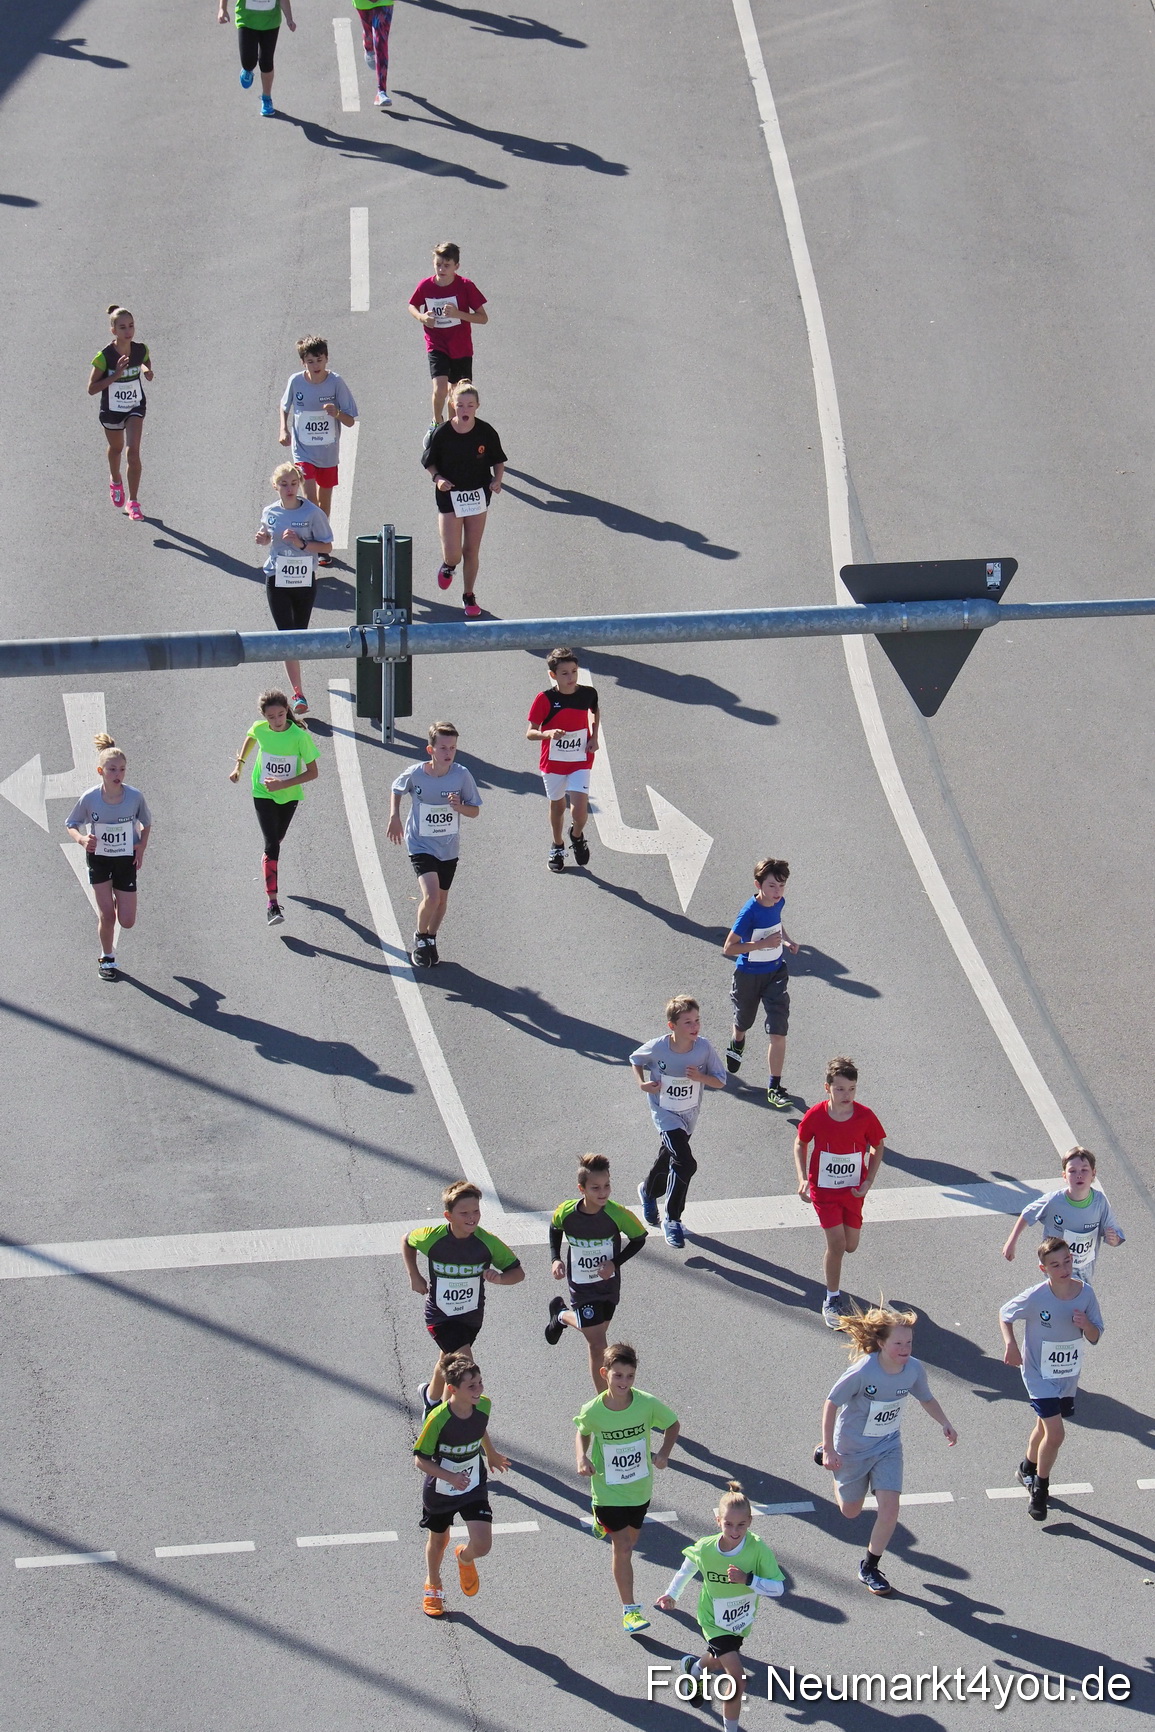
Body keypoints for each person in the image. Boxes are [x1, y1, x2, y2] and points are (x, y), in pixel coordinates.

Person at [814, 1304, 957, 1595]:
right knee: (850, 1512)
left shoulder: (914, 1369)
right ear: (881, 1343)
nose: (905, 1349)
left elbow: (926, 1398)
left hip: (887, 1445)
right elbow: (831, 1404)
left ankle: (869, 1566)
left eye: (909, 1343)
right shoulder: (864, 1371)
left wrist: (945, 1422)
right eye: (898, 1343)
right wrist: (829, 1448)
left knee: (890, 1509)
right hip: (851, 1448)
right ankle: (823, 1457)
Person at [655, 1482, 785, 1723]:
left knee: (715, 1660)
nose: (735, 1531)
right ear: (718, 1521)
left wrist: (748, 1579)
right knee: (737, 1678)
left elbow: (778, 1588)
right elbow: (687, 1568)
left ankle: (694, 1669)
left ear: (750, 1522)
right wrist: (672, 1594)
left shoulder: (758, 1550)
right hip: (712, 1619)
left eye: (741, 1525)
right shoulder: (706, 1548)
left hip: (740, 1621)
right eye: (728, 1524)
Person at [574, 1343, 679, 1635]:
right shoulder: (594, 1410)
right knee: (622, 1547)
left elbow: (672, 1424)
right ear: (605, 1373)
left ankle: (600, 1523)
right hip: (607, 1490)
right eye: (618, 1375)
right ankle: (630, 1611)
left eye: (630, 1376)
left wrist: (664, 1453)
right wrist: (581, 1457)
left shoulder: (646, 1404)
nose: (623, 1382)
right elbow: (582, 1433)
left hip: (639, 1489)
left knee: (631, 1542)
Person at [999, 1237, 1104, 1522]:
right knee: (1056, 1434)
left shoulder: (1086, 1294)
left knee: (1043, 1428)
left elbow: (1096, 1336)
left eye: (1067, 1261)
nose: (1063, 1268)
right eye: (1055, 1265)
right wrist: (1010, 1345)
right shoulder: (1036, 1296)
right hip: (1037, 1374)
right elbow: (1005, 1314)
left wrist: (1086, 1325)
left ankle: (1026, 1467)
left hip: (1066, 1376)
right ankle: (1040, 1490)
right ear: (1043, 1268)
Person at [403, 1181, 523, 1413]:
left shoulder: (486, 1243)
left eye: (476, 1211)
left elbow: (518, 1273)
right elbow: (407, 1241)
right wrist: (414, 1276)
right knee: (464, 1370)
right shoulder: (432, 1238)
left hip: (471, 1317)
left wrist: (500, 1278)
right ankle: (446, 1419)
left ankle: (430, 1396)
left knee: (448, 1358)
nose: (472, 1218)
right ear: (448, 1215)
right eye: (464, 1213)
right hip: (440, 1316)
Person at [414, 1356, 510, 1617]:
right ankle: (433, 1585)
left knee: (483, 1545)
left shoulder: (484, 1405)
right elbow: (420, 1460)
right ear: (453, 1389)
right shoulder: (437, 1419)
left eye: (480, 1383)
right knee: (439, 1539)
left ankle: (464, 1558)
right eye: (472, 1386)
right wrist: (449, 1477)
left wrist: (490, 1452)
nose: (479, 1389)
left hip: (473, 1484)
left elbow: (480, 1428)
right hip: (441, 1489)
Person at [794, 1058, 886, 1328]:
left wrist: (868, 1181)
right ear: (828, 1088)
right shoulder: (816, 1115)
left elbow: (877, 1146)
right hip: (824, 1190)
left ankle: (834, 1285)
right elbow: (800, 1143)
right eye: (841, 1089)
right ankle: (831, 1299)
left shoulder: (865, 1116)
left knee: (850, 1245)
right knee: (836, 1245)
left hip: (853, 1191)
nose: (847, 1096)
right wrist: (802, 1179)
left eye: (852, 1089)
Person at [632, 996, 726, 1249]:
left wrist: (700, 1076)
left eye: (697, 1021)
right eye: (687, 1022)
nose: (695, 1026)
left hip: (688, 1114)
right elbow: (635, 1059)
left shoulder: (703, 1048)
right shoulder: (659, 1048)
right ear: (672, 1026)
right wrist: (642, 1084)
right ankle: (672, 1220)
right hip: (664, 1114)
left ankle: (648, 1192)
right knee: (685, 1163)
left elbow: (720, 1081)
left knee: (669, 1157)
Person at [546, 1155, 647, 1390]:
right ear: (581, 1189)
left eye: (607, 1186)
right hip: (581, 1286)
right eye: (595, 1188)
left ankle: (561, 1316)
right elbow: (554, 1228)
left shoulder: (617, 1214)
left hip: (608, 1285)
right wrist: (555, 1258)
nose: (603, 1193)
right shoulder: (567, 1211)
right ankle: (604, 1399)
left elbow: (639, 1238)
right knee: (597, 1344)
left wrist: (615, 1263)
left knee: (597, 1332)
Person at [387, 722, 481, 967]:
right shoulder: (416, 773)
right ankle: (420, 937)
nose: (448, 753)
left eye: (452, 748)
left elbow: (475, 811)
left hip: (448, 847)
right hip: (420, 844)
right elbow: (396, 789)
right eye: (443, 748)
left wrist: (459, 806)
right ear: (430, 750)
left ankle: (431, 938)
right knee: (430, 896)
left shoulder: (462, 775)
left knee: (441, 900)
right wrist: (394, 816)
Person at [65, 734, 152, 982]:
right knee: (106, 915)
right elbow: (71, 823)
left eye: (122, 769)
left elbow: (146, 823)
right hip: (100, 859)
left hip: (126, 859)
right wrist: (82, 839)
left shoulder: (134, 796)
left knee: (127, 921)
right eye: (112, 769)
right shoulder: (90, 797)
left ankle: (118, 904)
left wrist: (141, 848)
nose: (118, 774)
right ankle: (107, 957)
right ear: (101, 771)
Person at [228, 688, 319, 925]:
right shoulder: (260, 728)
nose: (277, 721)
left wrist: (284, 784)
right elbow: (251, 737)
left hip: (289, 795)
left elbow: (313, 773)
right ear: (264, 716)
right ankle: (273, 905)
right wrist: (239, 766)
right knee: (271, 845)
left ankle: (268, 862)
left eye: (280, 715)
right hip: (262, 792)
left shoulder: (299, 736)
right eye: (271, 717)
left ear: (286, 711)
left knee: (277, 839)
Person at [420, 383, 506, 619]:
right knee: (454, 554)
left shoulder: (486, 432)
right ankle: (448, 566)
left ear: (477, 406)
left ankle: (469, 595)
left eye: (470, 405)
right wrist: (437, 478)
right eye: (460, 405)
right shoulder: (443, 433)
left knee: (472, 549)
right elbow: (428, 461)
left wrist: (497, 481)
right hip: (450, 496)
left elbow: (498, 461)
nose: (465, 409)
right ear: (452, 405)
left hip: (478, 496)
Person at [254, 463, 332, 717]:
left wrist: (301, 543)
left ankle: (298, 690)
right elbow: (267, 535)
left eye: (293, 483)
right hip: (277, 577)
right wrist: (264, 539)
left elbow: (327, 547)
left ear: (299, 483)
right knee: (287, 638)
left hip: (304, 580)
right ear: (275, 486)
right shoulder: (270, 512)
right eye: (283, 484)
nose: (289, 489)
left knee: (298, 637)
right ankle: (298, 694)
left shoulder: (312, 513)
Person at [721, 858, 800, 1108]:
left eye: (781, 886)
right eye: (772, 886)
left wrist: (787, 941)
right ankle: (738, 1039)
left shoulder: (779, 902)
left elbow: (777, 924)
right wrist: (760, 945)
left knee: (778, 1031)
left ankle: (774, 1086)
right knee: (744, 1020)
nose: (778, 892)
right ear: (758, 885)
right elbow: (729, 948)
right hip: (748, 976)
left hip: (776, 973)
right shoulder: (749, 913)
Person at [279, 338, 358, 560]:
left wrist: (337, 413)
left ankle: (321, 544)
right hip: (303, 451)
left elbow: (351, 420)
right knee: (310, 499)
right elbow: (285, 406)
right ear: (303, 362)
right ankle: (309, 546)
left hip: (328, 453)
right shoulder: (296, 382)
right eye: (310, 361)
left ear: (326, 359)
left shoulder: (336, 383)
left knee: (324, 504)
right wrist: (283, 430)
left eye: (319, 360)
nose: (315, 366)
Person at [1002, 1146, 1124, 1283]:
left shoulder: (1100, 1202)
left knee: (1077, 1300)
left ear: (1093, 1174)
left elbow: (1115, 1231)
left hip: (1084, 1270)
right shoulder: (1053, 1201)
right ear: (1064, 1176)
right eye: (1072, 1171)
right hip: (1056, 1268)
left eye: (1084, 1170)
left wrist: (1114, 1239)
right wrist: (1011, 1242)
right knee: (1066, 1299)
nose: (1079, 1174)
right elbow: (1027, 1213)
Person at [526, 648, 600, 873]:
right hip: (553, 763)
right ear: (553, 675)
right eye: (565, 673)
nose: (571, 678)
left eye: (574, 672)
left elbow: (595, 712)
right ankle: (557, 845)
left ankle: (576, 835)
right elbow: (530, 732)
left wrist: (594, 737)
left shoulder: (588, 693)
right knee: (558, 806)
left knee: (579, 810)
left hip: (580, 759)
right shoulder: (545, 699)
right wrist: (547, 734)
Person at [408, 243, 489, 431]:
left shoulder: (466, 286)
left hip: (461, 347)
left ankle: (453, 430)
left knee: (457, 394)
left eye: (446, 265)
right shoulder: (426, 285)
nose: (441, 269)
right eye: (438, 265)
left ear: (456, 266)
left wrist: (458, 314)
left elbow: (483, 318)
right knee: (440, 388)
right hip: (437, 343)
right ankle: (436, 424)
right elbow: (412, 305)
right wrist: (422, 317)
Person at [88, 305, 153, 520]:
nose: (128, 331)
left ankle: (133, 502)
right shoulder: (104, 357)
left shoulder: (140, 349)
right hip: (112, 411)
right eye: (123, 327)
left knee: (132, 452)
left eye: (131, 326)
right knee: (116, 449)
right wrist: (116, 375)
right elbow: (92, 389)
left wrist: (147, 370)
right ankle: (115, 480)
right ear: (113, 330)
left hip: (134, 406)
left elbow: (144, 360)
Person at [217, 0, 295, 117]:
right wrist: (222, 9)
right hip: (246, 20)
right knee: (248, 62)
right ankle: (248, 69)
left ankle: (266, 98)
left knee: (266, 62)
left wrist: (289, 18)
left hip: (270, 22)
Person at [353, 0, 394, 106]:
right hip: (363, 2)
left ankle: (381, 92)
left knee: (380, 41)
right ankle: (368, 46)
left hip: (384, 2)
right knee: (369, 33)